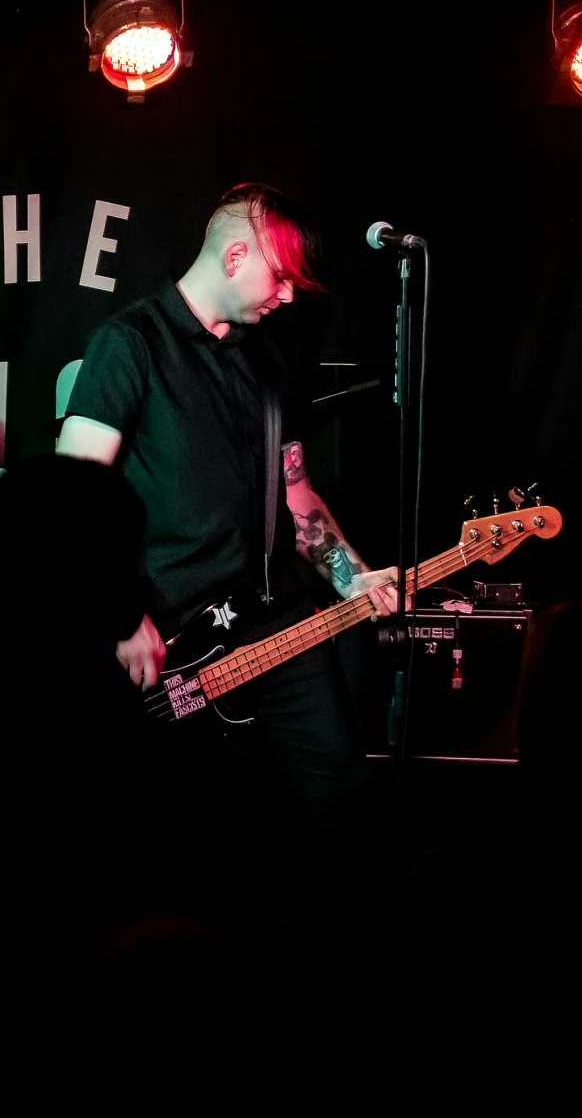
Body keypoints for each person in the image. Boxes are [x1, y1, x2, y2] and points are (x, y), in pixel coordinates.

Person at [55, 182, 397, 853]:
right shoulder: (129, 344)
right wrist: (122, 615)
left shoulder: (266, 359)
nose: (289, 295)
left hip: (280, 627)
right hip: (178, 638)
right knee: (195, 833)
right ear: (235, 256)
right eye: (282, 277)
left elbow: (295, 492)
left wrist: (351, 576)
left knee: (340, 808)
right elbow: (74, 498)